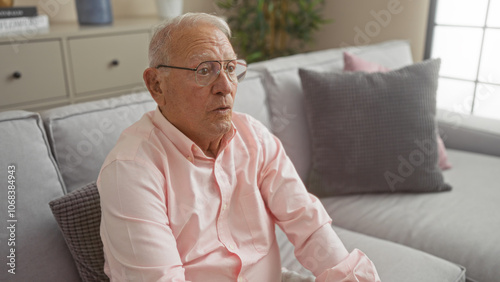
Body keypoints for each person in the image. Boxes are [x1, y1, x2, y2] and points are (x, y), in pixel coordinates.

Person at [97, 12, 381, 282]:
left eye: (230, 68)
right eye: (204, 70)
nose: (225, 86)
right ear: (156, 85)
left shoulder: (253, 136)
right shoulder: (130, 171)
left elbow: (309, 226)